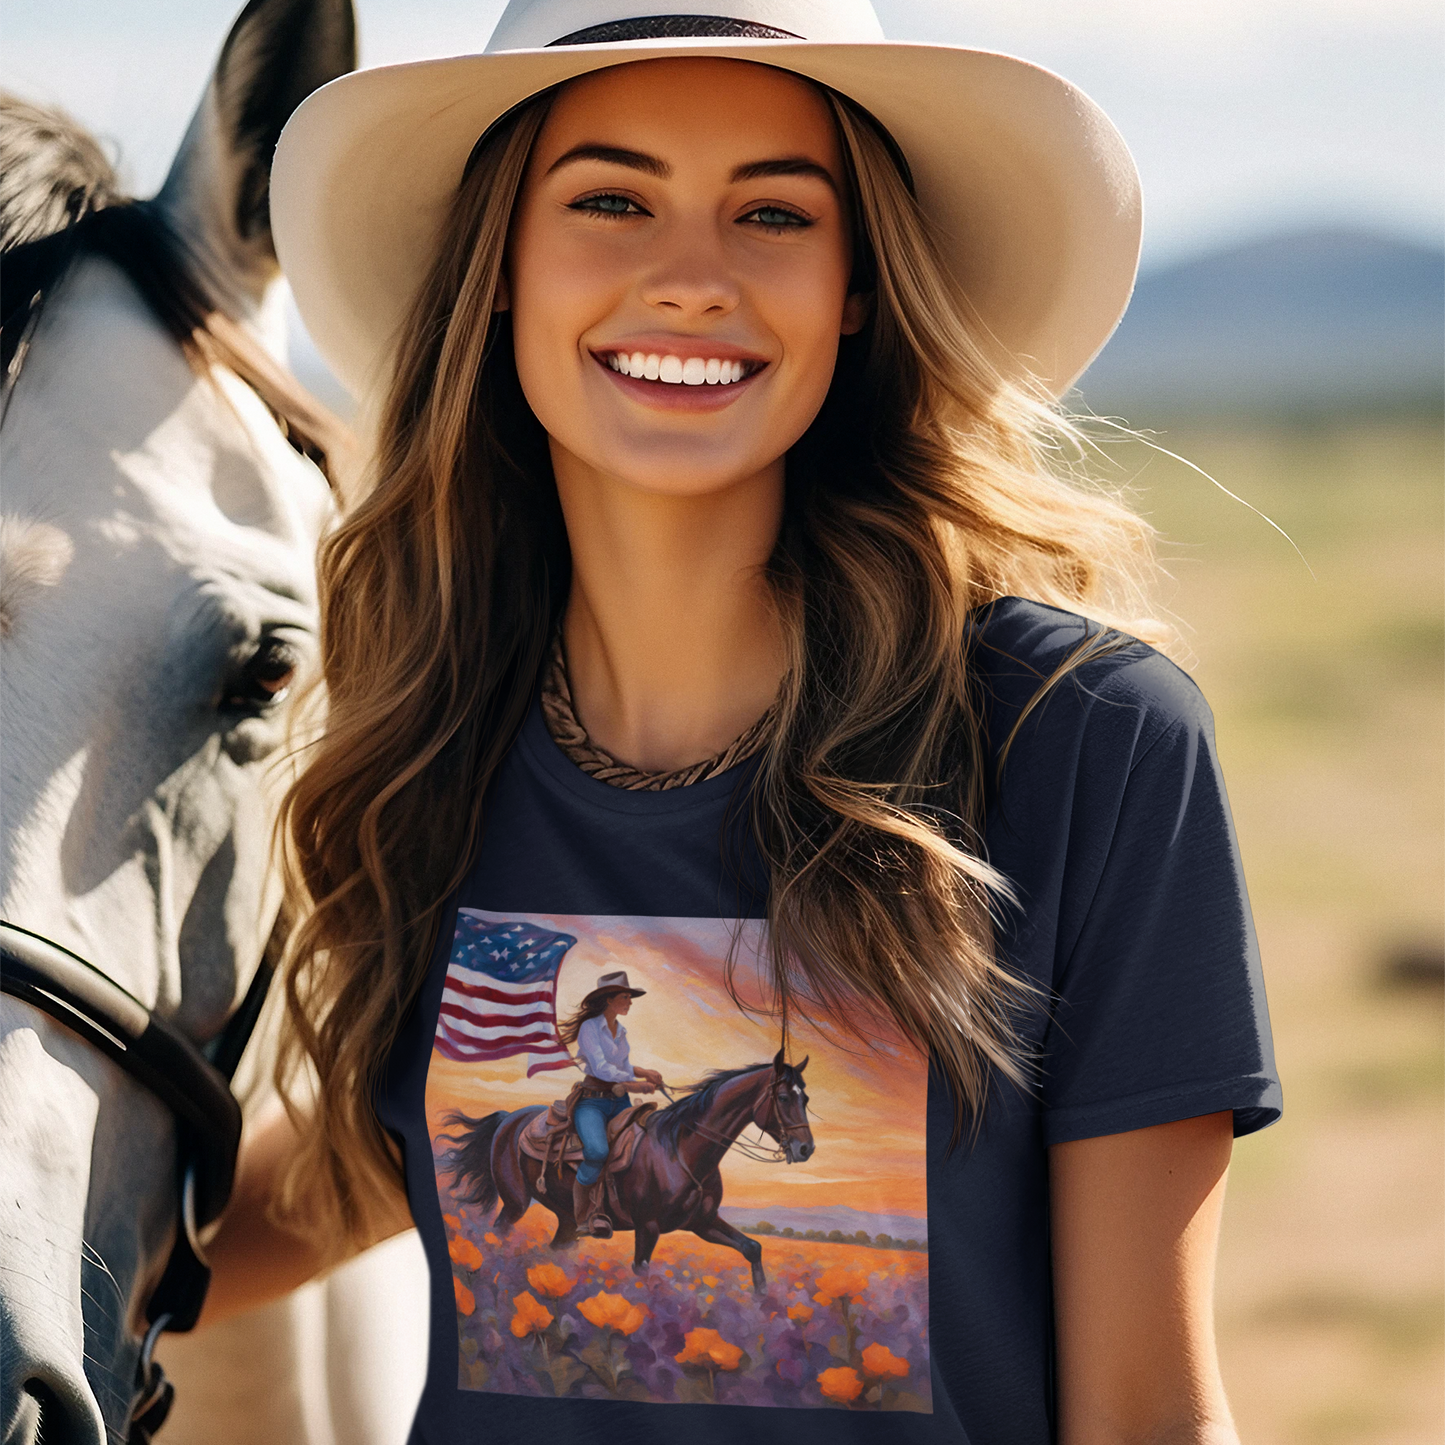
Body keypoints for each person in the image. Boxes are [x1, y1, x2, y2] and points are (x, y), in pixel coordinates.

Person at [202, 1, 1281, 1440]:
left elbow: (1149, 1411)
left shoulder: (1078, 740)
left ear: (853, 286)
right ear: (502, 270)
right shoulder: (429, 741)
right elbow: (353, 1176)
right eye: (610, 199)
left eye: (773, 213)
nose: (691, 278)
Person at [556, 970, 661, 1238]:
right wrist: (637, 1085)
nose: (630, 1002)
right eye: (625, 997)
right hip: (592, 1102)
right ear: (609, 1000)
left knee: (644, 1146)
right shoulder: (589, 1028)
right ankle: (582, 1216)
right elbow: (602, 1069)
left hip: (619, 1100)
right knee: (597, 1151)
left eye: (629, 997)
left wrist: (643, 1071)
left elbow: (622, 1065)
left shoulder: (620, 1030)